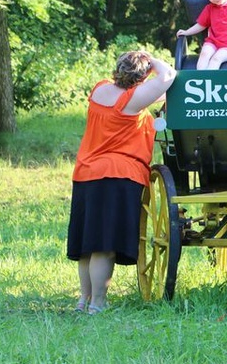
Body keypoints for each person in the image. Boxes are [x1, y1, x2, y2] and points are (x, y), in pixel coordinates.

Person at [67, 51, 176, 314]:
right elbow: (169, 75)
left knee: (87, 245)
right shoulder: (131, 101)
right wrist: (152, 60)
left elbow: (156, 92)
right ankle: (98, 304)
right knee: (104, 245)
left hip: (86, 172)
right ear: (141, 77)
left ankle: (84, 300)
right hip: (117, 175)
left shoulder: (100, 90)